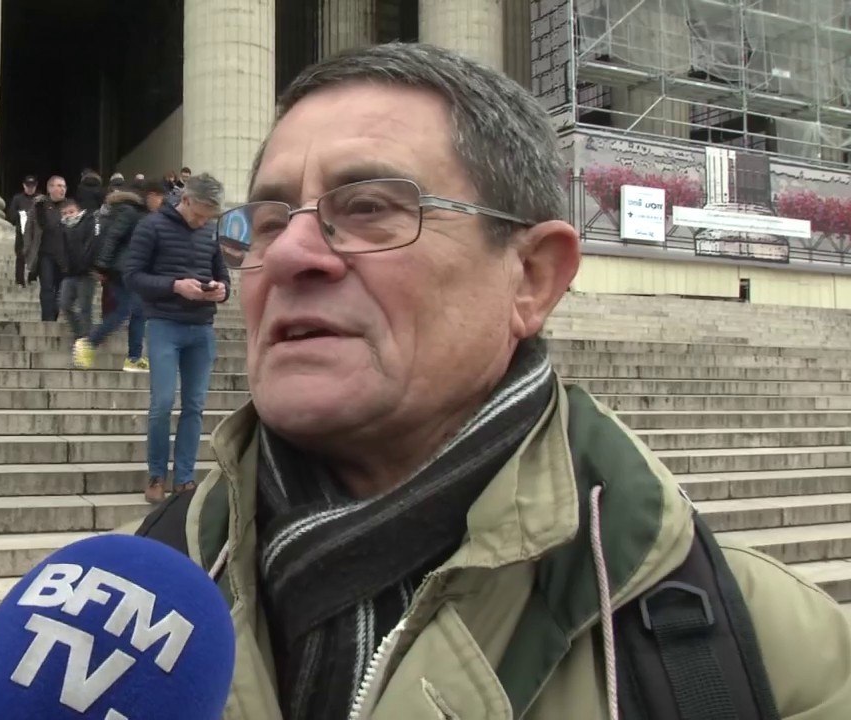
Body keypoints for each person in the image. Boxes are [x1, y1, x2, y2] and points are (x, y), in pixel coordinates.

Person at [132, 43, 851, 719]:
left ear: (532, 277)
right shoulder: (139, 583)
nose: (290, 253)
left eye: (370, 208)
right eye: (267, 220)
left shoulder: (772, 654)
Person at [123, 173, 230, 504]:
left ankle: (184, 478)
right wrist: (174, 285)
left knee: (195, 406)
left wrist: (222, 291)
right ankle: (157, 474)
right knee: (162, 403)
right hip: (165, 325)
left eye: (208, 217)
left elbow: (222, 275)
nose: (202, 222)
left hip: (201, 327)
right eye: (199, 214)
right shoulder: (151, 227)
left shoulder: (210, 232)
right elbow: (132, 275)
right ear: (184, 200)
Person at [74, 179, 166, 373]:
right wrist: (101, 265)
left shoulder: (140, 213)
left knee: (138, 311)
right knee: (125, 310)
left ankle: (134, 357)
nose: (161, 204)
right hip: (121, 269)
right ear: (152, 196)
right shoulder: (130, 211)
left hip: (132, 268)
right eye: (160, 199)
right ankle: (90, 342)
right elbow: (113, 237)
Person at [23, 175, 71, 321]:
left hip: (64, 256)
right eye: (59, 185)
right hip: (45, 254)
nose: (62, 189)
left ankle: (54, 314)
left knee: (60, 291)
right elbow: (29, 229)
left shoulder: (70, 206)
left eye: (64, 186)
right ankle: (48, 320)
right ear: (50, 188)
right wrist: (27, 249)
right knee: (47, 288)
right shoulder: (39, 205)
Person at [56, 199, 97, 342]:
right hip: (69, 273)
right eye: (65, 213)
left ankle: (86, 339)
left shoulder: (88, 222)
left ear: (79, 211)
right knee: (64, 305)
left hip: (86, 272)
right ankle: (80, 334)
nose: (68, 216)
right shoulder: (61, 228)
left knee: (85, 307)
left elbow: (90, 246)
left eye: (71, 212)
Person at [5, 175, 39, 287]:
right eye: (28, 186)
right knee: (20, 256)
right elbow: (11, 214)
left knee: (36, 255)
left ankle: (32, 277)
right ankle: (19, 280)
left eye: (32, 186)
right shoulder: (17, 199)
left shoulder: (40, 199)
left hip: (35, 232)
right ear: (24, 186)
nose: (30, 188)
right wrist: (20, 216)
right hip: (21, 231)